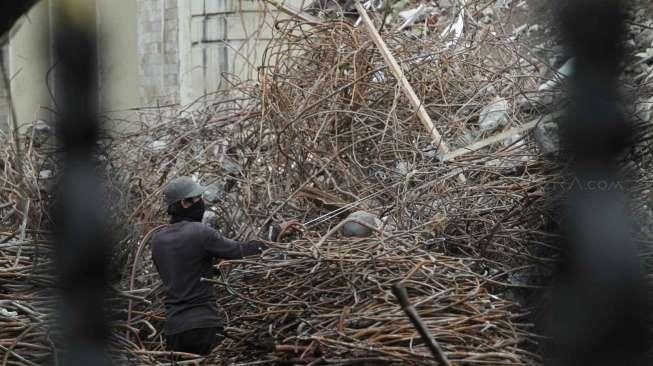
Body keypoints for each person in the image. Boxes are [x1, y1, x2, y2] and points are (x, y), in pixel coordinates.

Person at [151, 176, 266, 355]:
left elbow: (180, 273)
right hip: (204, 325)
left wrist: (212, 269)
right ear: (185, 203)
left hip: (174, 330)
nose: (202, 203)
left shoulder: (157, 240)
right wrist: (273, 235)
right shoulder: (200, 232)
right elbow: (240, 251)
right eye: (198, 198)